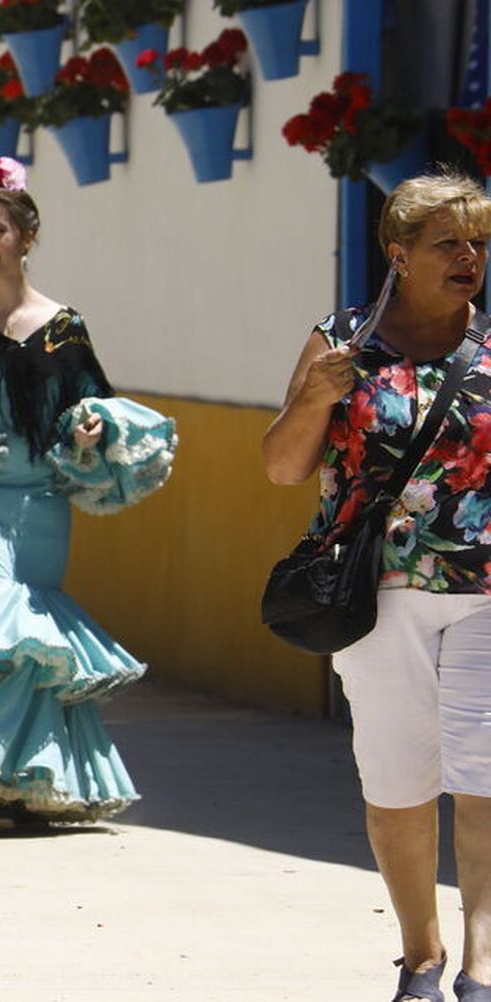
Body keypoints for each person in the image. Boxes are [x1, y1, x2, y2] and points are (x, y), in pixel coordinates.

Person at [262, 171, 491, 1002]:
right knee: (398, 780)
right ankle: (421, 955)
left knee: (486, 774)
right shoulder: (342, 342)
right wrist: (314, 400)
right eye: (449, 244)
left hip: (486, 592)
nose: (470, 258)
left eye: (479, 243)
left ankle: (481, 964)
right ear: (398, 253)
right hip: (373, 593)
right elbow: (285, 467)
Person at [0, 158, 173, 829]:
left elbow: (95, 405)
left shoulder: (65, 326)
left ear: (27, 236)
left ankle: (22, 785)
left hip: (45, 499)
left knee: (36, 637)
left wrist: (91, 426)